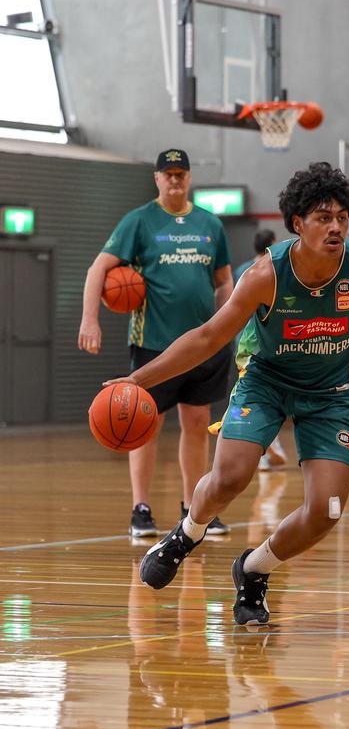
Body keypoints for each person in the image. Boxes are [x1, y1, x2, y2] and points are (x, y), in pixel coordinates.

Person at [106, 162, 349, 626]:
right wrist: (138, 380)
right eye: (324, 217)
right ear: (298, 224)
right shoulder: (265, 275)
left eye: (343, 217)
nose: (336, 226)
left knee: (327, 510)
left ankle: (254, 569)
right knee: (230, 478)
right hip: (268, 381)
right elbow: (205, 338)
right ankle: (186, 533)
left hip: (332, 392)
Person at [79, 148, 234, 537]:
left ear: (190, 177)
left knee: (197, 423)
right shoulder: (139, 221)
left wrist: (227, 323)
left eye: (182, 173)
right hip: (154, 341)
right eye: (169, 174)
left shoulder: (210, 224)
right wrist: (90, 319)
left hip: (203, 343)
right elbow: (99, 267)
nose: (176, 180)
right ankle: (141, 509)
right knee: (143, 422)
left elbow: (224, 282)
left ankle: (194, 508)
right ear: (157, 179)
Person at [231, 227, 288, 470]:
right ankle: (264, 448)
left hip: (242, 340)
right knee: (265, 397)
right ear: (270, 245)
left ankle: (263, 449)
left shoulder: (240, 270)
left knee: (253, 395)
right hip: (262, 342)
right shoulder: (271, 270)